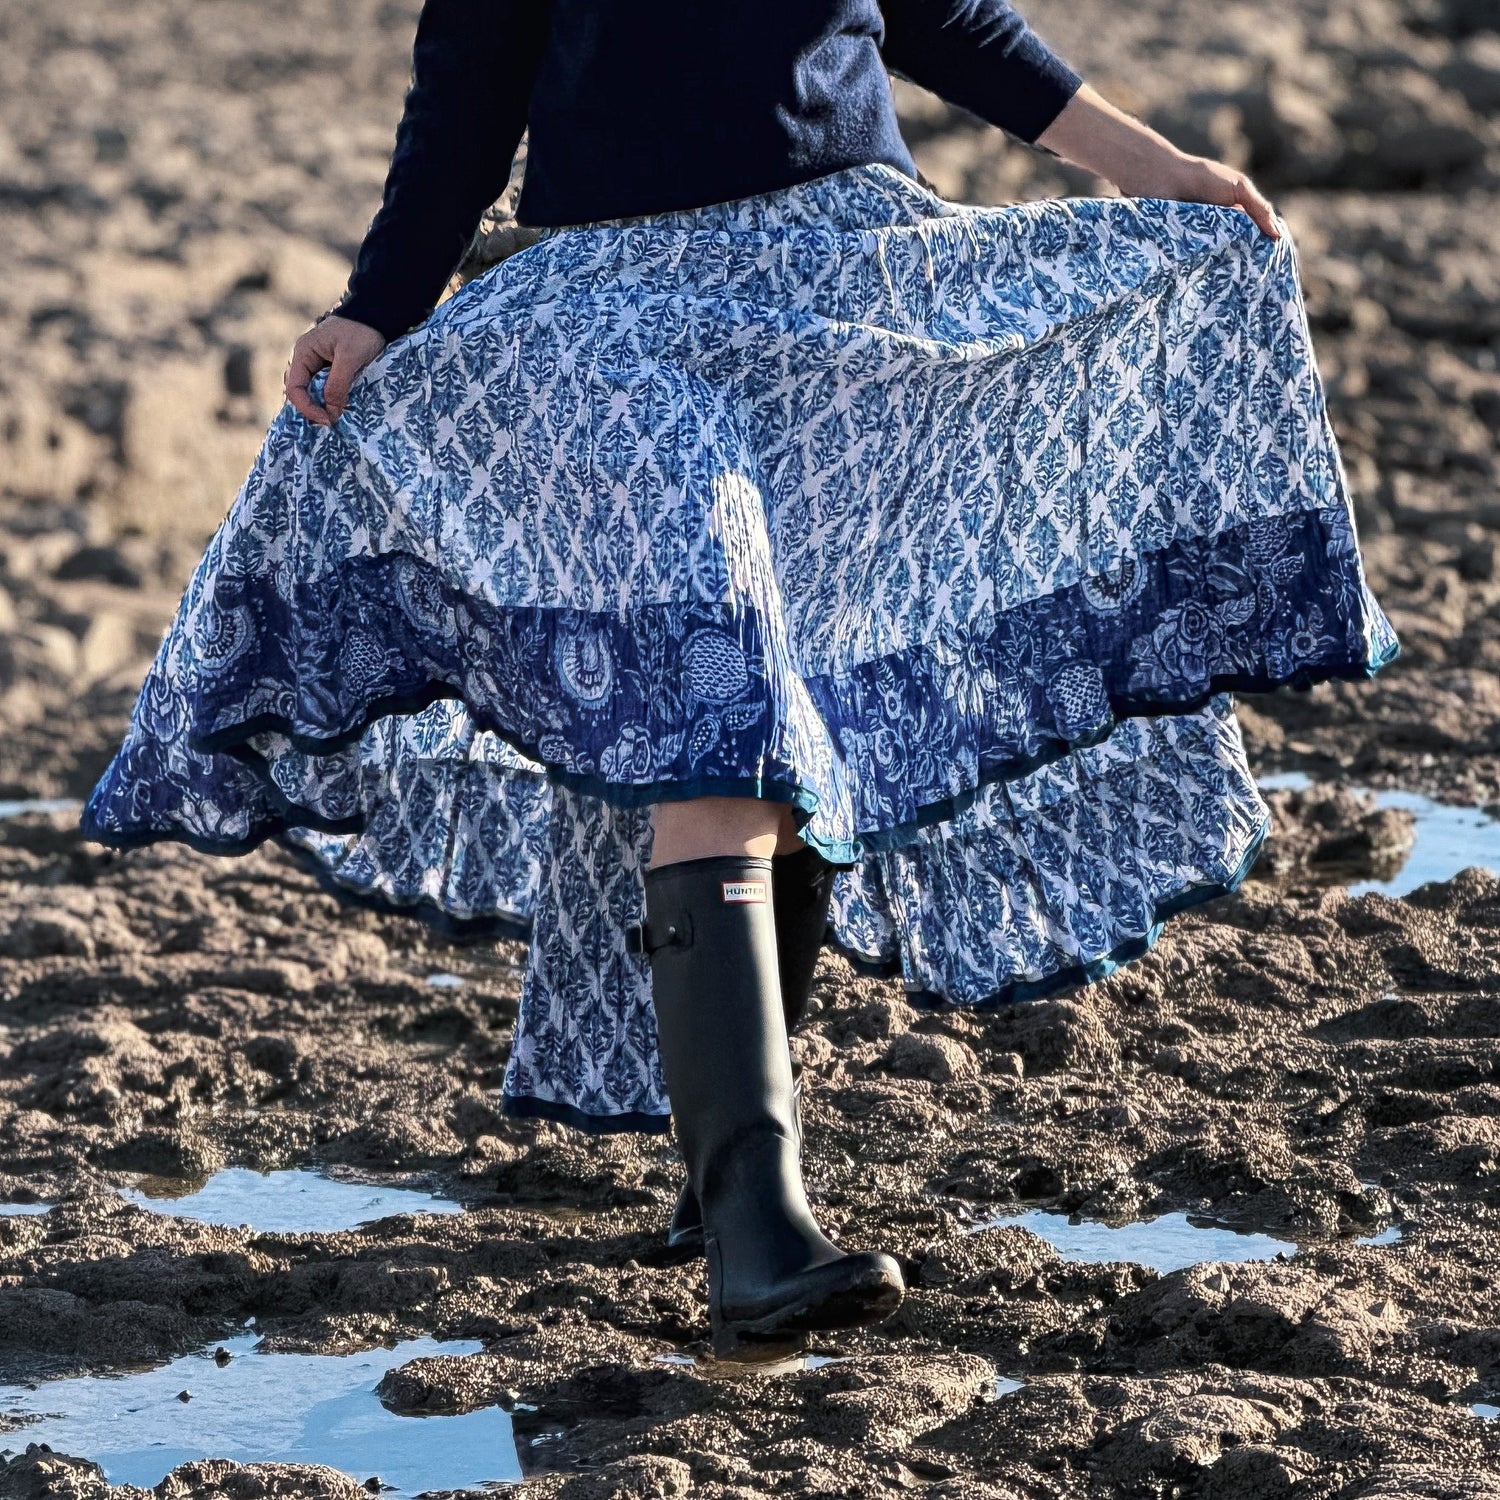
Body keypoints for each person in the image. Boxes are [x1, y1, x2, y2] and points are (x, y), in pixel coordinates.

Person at [83, 1, 1397, 1357]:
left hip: (848, 283)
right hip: (609, 309)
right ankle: (761, 1230)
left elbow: (937, 12)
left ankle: (724, 1195)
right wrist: (378, 301)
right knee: (716, 701)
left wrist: (1146, 163)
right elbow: (469, 84)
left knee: (802, 696)